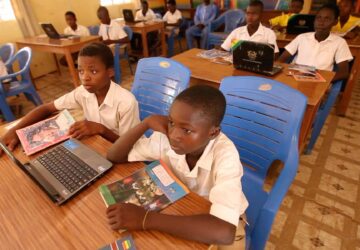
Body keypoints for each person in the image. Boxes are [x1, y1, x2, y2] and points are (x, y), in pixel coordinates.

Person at [106, 85, 248, 246]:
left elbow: (224, 232)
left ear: (213, 133)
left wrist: (145, 219)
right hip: (183, 206)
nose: (173, 135)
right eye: (171, 122)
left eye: (186, 130)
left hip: (220, 220)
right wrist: (145, 123)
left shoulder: (226, 155)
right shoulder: (166, 136)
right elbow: (114, 156)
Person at [0, 42, 140, 155]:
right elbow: (47, 108)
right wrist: (14, 131)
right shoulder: (82, 92)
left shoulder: (126, 102)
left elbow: (128, 146)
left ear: (110, 72)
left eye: (94, 71)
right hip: (96, 147)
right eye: (80, 71)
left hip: (120, 153)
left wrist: (100, 129)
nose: (85, 77)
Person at [278, 4, 353, 82]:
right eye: (318, 18)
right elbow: (281, 60)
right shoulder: (302, 37)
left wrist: (325, 81)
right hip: (294, 77)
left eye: (327, 19)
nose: (321, 22)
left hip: (319, 81)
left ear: (335, 22)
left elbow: (344, 72)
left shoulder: (339, 42)